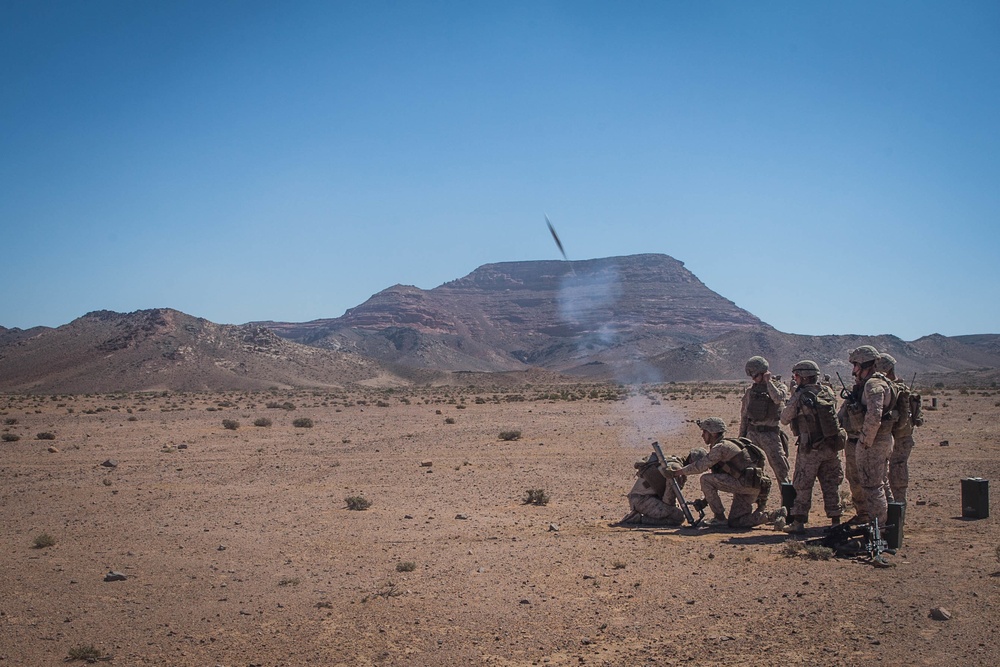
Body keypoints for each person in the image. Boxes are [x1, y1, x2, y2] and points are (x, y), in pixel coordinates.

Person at [666, 417, 786, 529]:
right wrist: (704, 501)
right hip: (752, 486)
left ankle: (719, 518)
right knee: (737, 521)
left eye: (704, 432)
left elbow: (700, 466)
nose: (702, 435)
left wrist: (677, 472)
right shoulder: (732, 443)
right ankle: (773, 516)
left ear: (713, 433)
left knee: (705, 479)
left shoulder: (720, 447)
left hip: (743, 484)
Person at [780, 360, 845, 533]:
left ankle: (799, 522)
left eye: (796, 376)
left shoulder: (801, 395)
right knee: (831, 483)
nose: (795, 379)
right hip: (831, 446)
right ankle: (835, 521)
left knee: (803, 484)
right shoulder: (828, 391)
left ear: (803, 377)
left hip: (810, 448)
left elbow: (785, 418)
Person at [838, 345, 896, 525]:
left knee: (872, 485)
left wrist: (864, 442)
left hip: (872, 443)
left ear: (865, 364)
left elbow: (874, 416)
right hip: (872, 440)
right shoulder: (866, 384)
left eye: (856, 365)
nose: (854, 370)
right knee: (879, 483)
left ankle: (881, 528)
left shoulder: (873, 384)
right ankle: (887, 521)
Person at [874, 353, 922, 504]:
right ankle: (897, 511)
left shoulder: (891, 389)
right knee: (895, 472)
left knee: (891, 474)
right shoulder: (901, 388)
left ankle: (895, 512)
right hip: (902, 438)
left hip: (896, 438)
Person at [739, 356, 791, 485]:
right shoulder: (751, 391)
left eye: (755, 375)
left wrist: (769, 383)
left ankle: (788, 503)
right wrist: (741, 438)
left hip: (771, 435)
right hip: (753, 434)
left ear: (764, 372)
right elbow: (744, 416)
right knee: (751, 471)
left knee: (781, 470)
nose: (753, 379)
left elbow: (778, 398)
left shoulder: (780, 387)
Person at [620, 449, 690, 526]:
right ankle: (638, 519)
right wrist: (672, 510)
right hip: (642, 500)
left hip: (641, 498)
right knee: (678, 517)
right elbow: (668, 499)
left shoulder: (672, 461)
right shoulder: (676, 469)